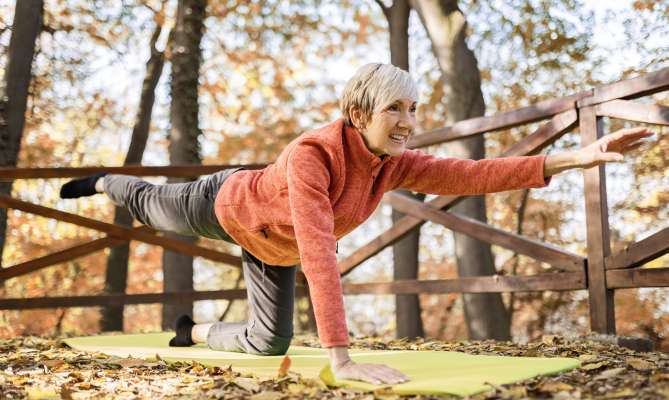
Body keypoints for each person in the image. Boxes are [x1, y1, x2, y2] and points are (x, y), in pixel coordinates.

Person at [60, 63, 654, 386]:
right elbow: (321, 251)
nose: (408, 121)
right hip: (225, 205)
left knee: (269, 343)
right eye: (395, 109)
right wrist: (341, 357)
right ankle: (106, 181)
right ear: (357, 115)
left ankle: (194, 333)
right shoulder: (311, 157)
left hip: (274, 247)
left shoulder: (394, 164)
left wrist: (579, 155)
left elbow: (474, 173)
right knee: (151, 203)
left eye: (414, 109)